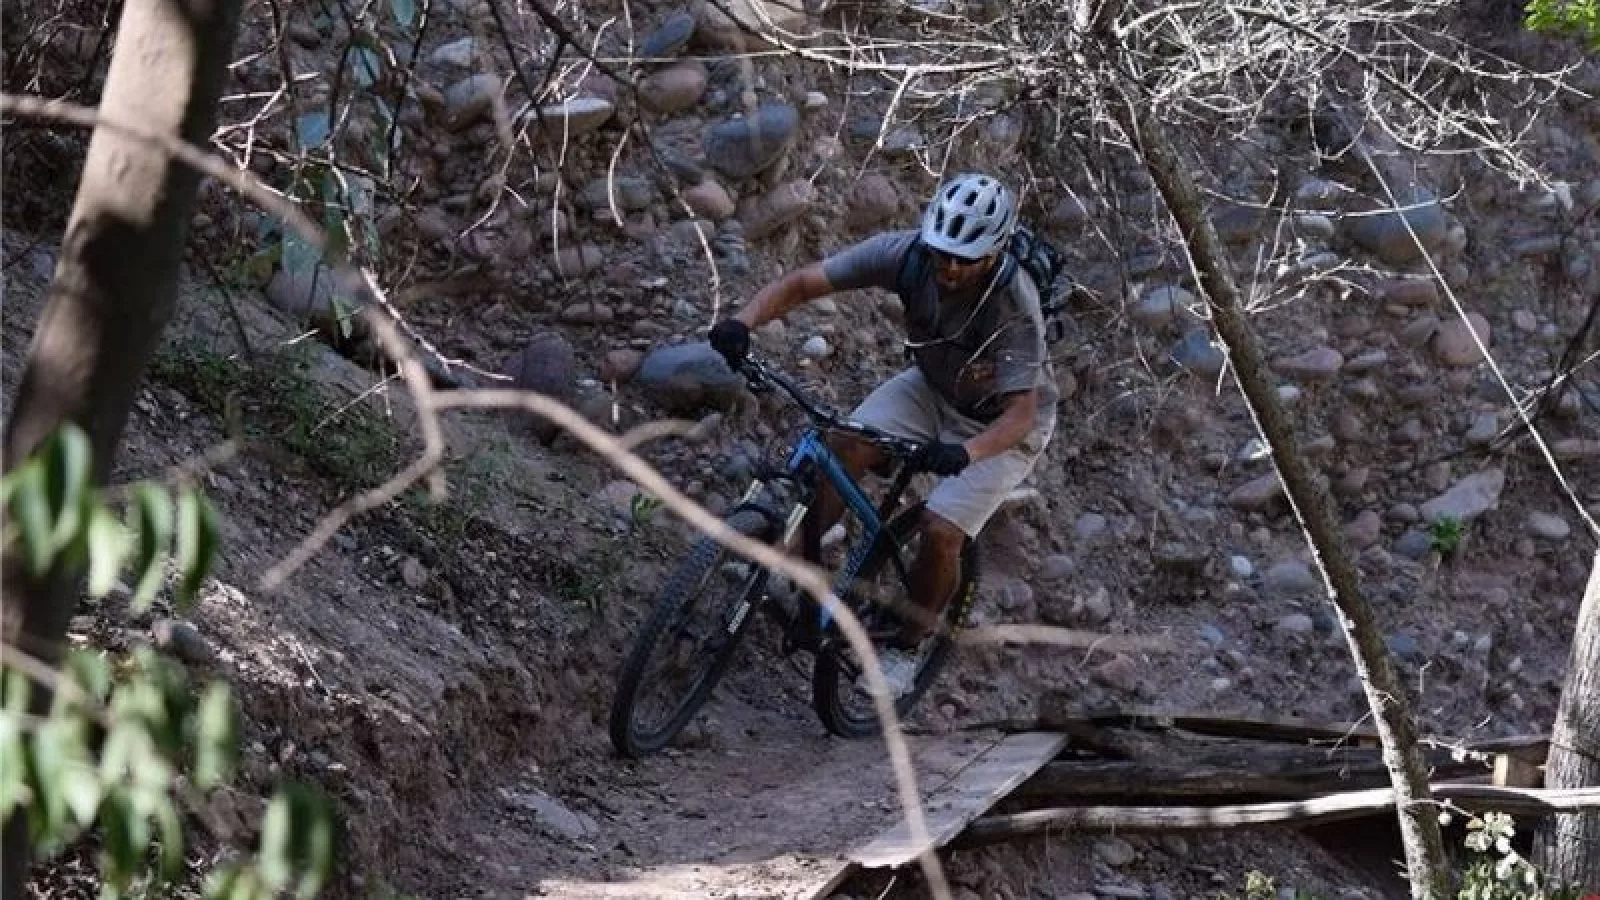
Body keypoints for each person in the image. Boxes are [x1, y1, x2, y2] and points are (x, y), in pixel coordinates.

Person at [707, 172, 1060, 698]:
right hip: (932, 386)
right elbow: (805, 283)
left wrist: (964, 453)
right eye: (942, 254)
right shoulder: (907, 255)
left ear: (994, 254)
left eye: (965, 259)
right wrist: (742, 322)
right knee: (842, 447)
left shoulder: (1014, 304)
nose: (949, 267)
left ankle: (907, 648)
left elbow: (1020, 416)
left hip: (996, 425)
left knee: (942, 530)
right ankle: (790, 569)